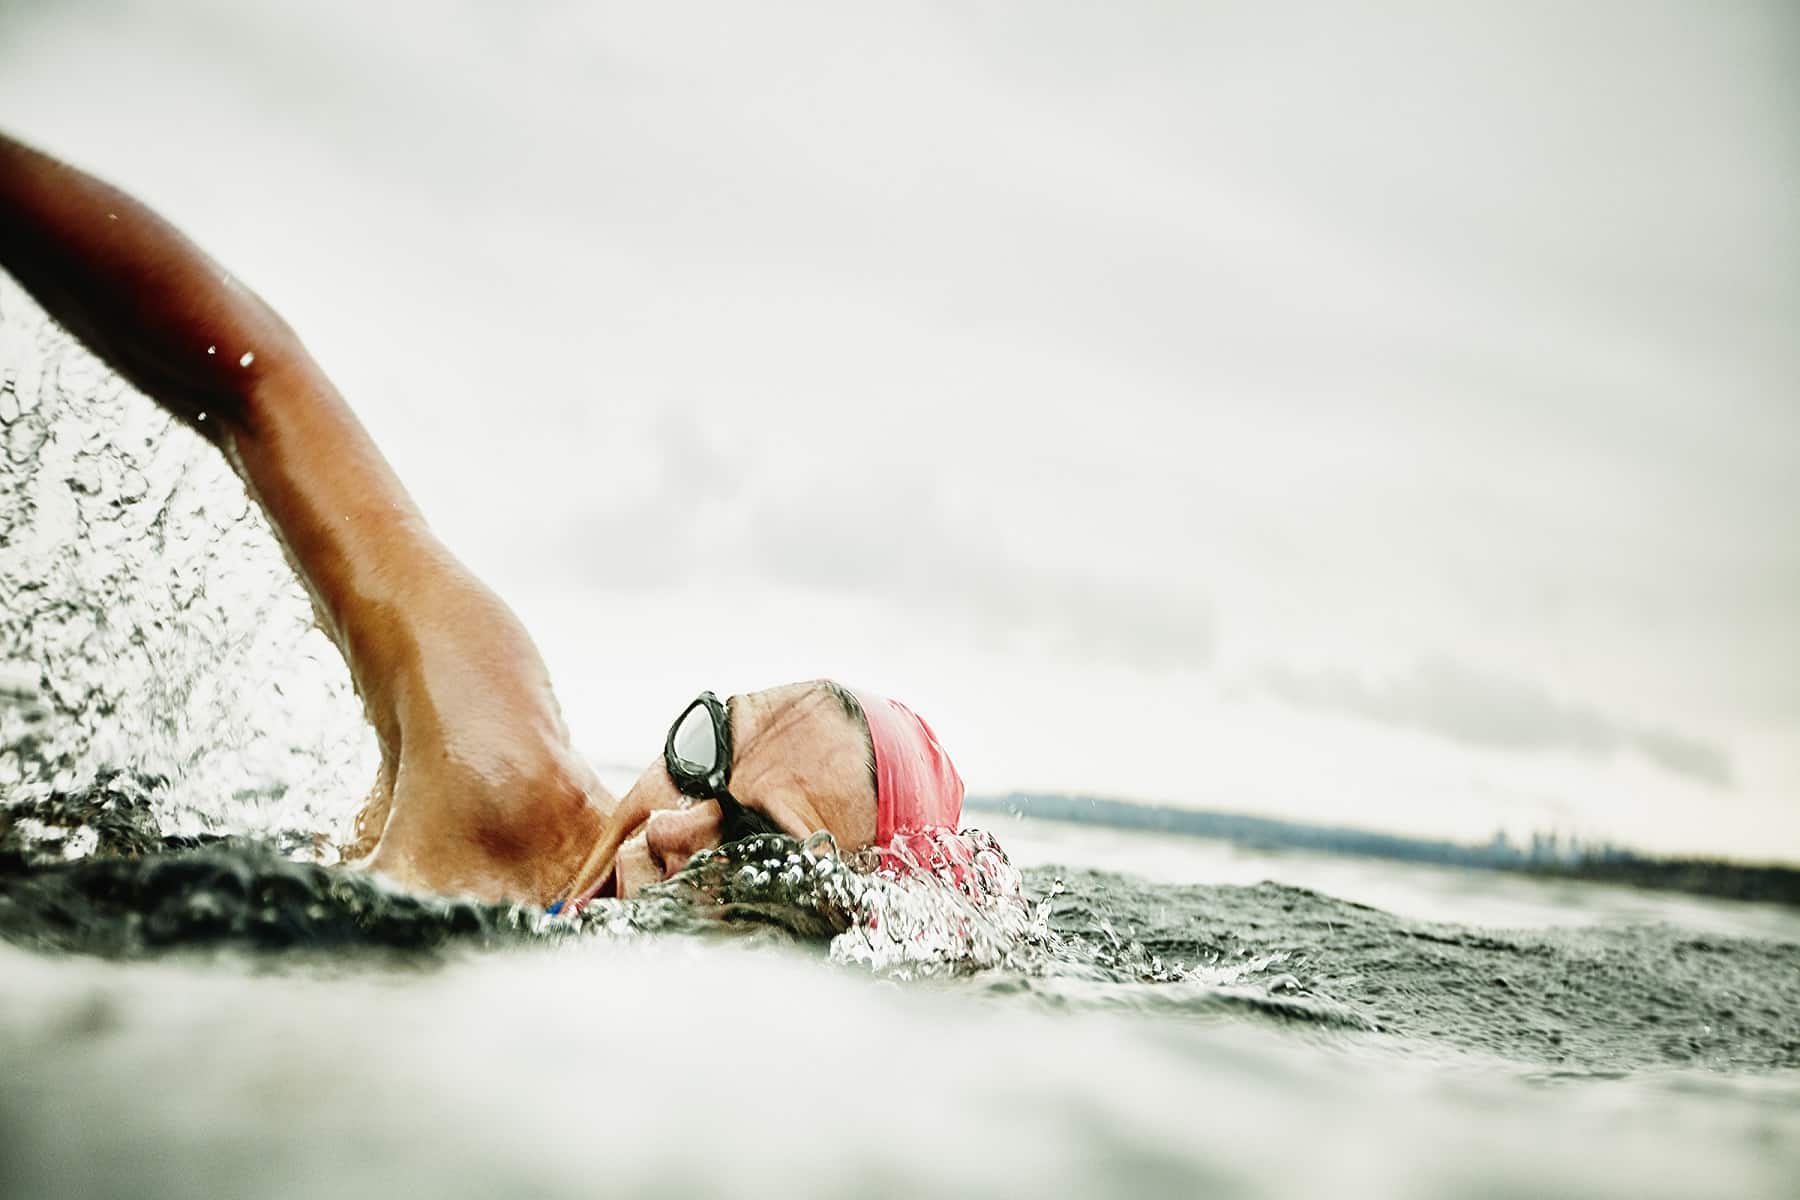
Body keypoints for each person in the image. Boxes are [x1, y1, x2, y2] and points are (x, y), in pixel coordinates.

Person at [0, 130, 963, 908]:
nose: (672, 832)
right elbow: (255, 384)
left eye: (757, 850)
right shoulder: (488, 752)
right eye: (703, 752)